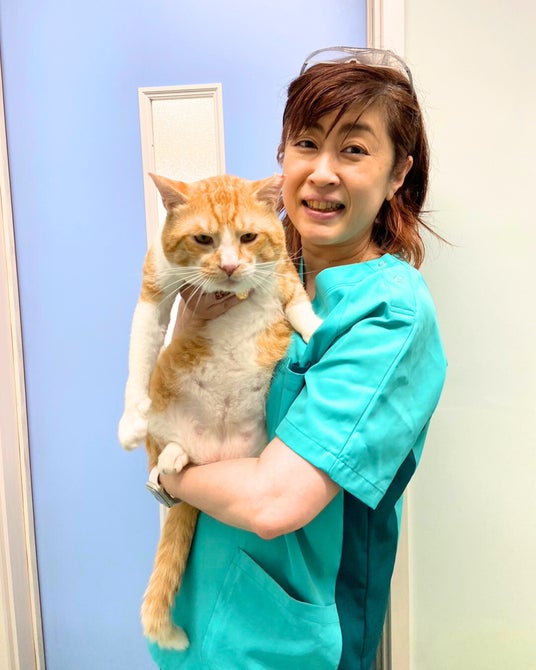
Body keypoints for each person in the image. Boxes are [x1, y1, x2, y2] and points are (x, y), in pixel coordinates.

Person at [149, 46, 447, 670]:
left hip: (291, 637)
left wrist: (167, 477)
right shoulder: (255, 274)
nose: (322, 172)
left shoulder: (389, 314)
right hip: (199, 610)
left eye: (354, 149)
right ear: (282, 156)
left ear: (398, 174)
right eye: (306, 143)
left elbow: (273, 503)